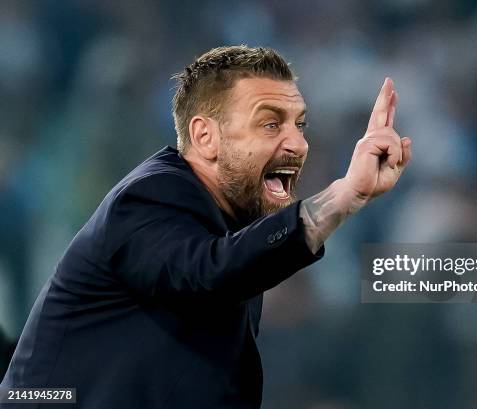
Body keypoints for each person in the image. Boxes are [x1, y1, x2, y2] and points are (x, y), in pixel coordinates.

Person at [0, 45, 411, 409]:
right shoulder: (150, 196)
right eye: (271, 124)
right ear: (205, 137)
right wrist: (342, 197)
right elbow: (211, 271)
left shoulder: (231, 224)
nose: (298, 144)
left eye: (299, 125)